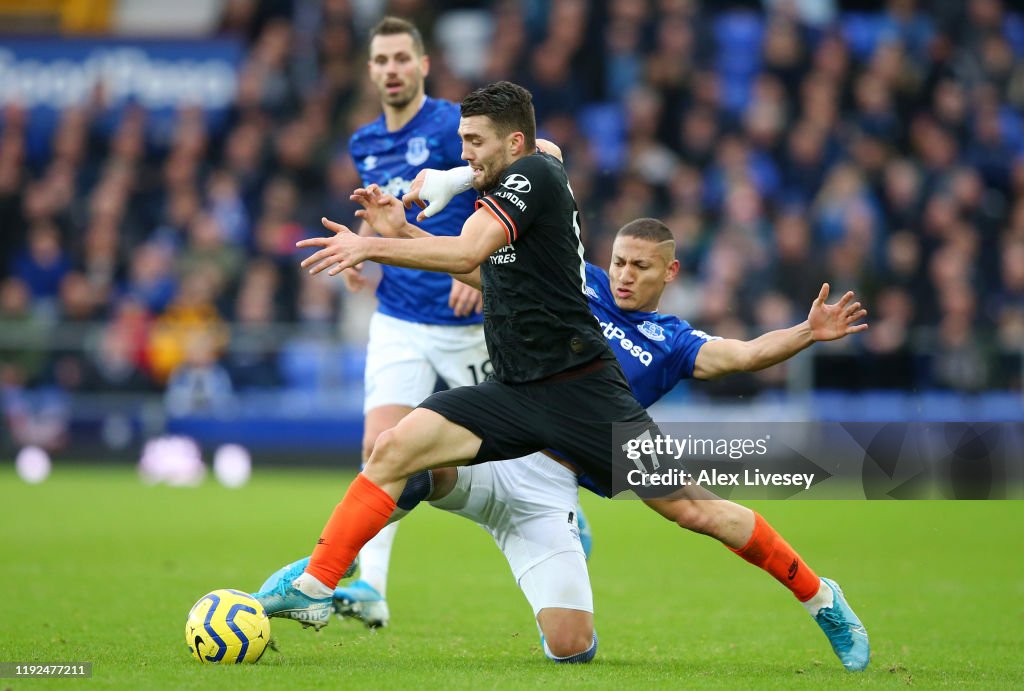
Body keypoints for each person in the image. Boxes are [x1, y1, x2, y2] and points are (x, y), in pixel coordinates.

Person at [255, 81, 870, 671]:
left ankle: (822, 598)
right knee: (395, 450)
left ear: (669, 272)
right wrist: (403, 231)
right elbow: (485, 274)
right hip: (516, 402)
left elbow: (739, 355)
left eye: (640, 266)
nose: (625, 274)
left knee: (685, 527)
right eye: (620, 261)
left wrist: (805, 333)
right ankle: (318, 579)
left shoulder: (669, 336)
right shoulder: (581, 279)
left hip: (583, 410)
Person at [326, 16, 490, 628]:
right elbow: (381, 208)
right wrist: (360, 249)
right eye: (381, 60)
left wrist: (474, 265)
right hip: (398, 317)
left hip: (465, 319)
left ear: (423, 65)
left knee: (504, 460)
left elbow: (507, 183)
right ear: (370, 71)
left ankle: (559, 514)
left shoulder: (454, 125)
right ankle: (372, 588)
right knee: (381, 446)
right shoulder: (363, 141)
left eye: (402, 58)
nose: (391, 69)